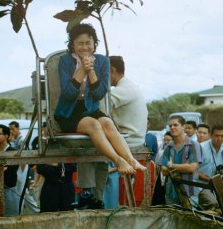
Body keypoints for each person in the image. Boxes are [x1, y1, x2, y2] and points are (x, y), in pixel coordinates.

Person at [54, 23, 146, 178]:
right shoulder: (65, 61)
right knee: (94, 124)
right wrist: (82, 69)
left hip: (90, 108)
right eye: (80, 43)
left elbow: (98, 94)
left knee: (108, 123)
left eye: (88, 43)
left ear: (94, 43)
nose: (84, 47)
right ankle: (118, 160)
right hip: (69, 112)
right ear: (73, 45)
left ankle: (130, 159)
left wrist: (90, 71)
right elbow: (68, 93)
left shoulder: (102, 61)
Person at [103, 55, 148, 208]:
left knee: (104, 158)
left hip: (131, 140)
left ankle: (108, 208)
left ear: (111, 70)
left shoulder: (125, 89)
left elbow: (102, 107)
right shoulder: (128, 86)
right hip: (132, 137)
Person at [159, 116, 202, 206]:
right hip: (171, 192)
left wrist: (170, 166)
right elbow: (163, 170)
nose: (172, 127)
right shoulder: (168, 147)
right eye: (170, 126)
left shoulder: (194, 145)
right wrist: (183, 167)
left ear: (183, 127)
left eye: (175, 125)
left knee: (189, 219)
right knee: (171, 219)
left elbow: (191, 168)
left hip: (188, 192)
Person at [0, 124, 19, 216]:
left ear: (6, 136)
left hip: (9, 190)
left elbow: (11, 171)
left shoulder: (13, 152)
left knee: (11, 219)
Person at [152, 131, 173, 205]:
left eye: (169, 140)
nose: (166, 142)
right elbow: (157, 165)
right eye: (165, 140)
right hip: (160, 178)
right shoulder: (161, 151)